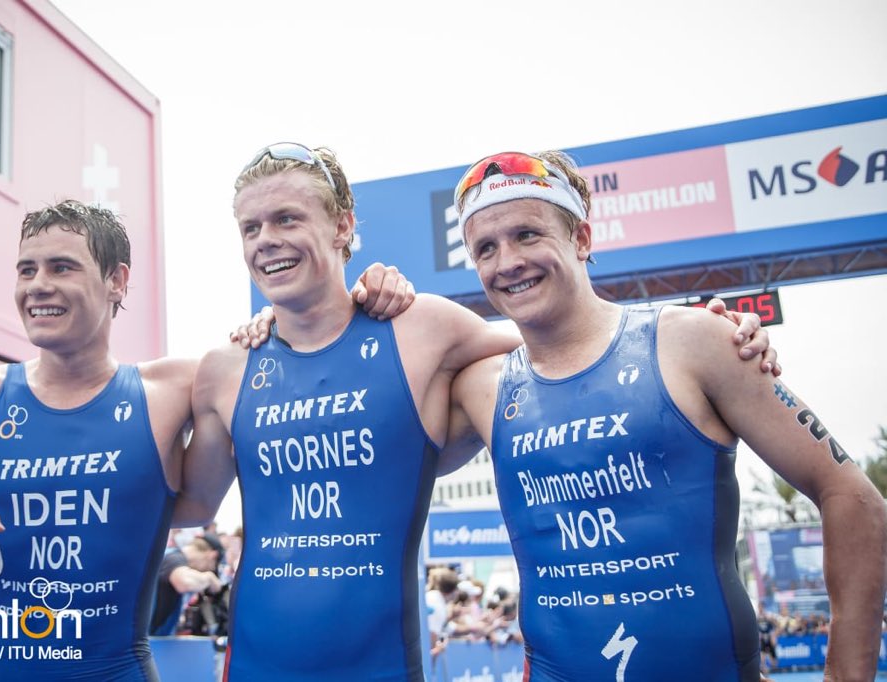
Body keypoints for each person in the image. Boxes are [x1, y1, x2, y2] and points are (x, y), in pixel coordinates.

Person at [181, 143, 778, 681]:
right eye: (251, 227)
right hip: (253, 665)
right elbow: (193, 504)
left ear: (343, 225)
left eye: (286, 218)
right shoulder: (227, 368)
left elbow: (572, 352)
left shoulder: (425, 329)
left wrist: (705, 337)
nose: (266, 239)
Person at [0, 199, 409, 681]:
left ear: (117, 281)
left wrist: (354, 294)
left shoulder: (175, 388)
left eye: (61, 268)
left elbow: (296, 344)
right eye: (26, 270)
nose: (38, 286)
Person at [442, 150, 887, 680]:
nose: (507, 261)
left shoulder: (694, 341)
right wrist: (375, 290)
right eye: (486, 248)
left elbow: (855, 498)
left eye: (527, 235)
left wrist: (845, 675)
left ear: (581, 239)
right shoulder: (482, 388)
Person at [149, 533, 224, 636]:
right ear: (212, 555)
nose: (207, 569)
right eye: (212, 565)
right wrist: (209, 577)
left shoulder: (171, 557)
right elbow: (184, 583)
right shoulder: (174, 558)